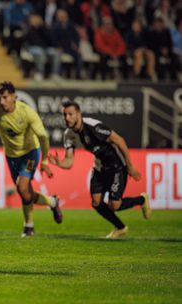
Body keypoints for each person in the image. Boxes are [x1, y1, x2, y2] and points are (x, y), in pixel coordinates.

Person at [0, 81, 62, 237]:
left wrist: (45, 160)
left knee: (22, 187)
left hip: (30, 153)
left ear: (14, 97)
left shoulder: (26, 112)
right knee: (26, 194)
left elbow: (42, 136)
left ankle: (28, 226)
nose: (2, 101)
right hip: (11, 156)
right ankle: (52, 202)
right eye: (0, 98)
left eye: (5, 97)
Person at [48, 101, 151, 239]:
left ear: (79, 114)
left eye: (71, 114)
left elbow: (119, 140)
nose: (67, 118)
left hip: (116, 167)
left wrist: (130, 166)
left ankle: (141, 200)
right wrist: (59, 163)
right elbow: (69, 161)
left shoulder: (94, 126)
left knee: (114, 205)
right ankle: (120, 227)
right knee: (96, 202)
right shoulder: (69, 135)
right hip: (99, 168)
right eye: (65, 115)